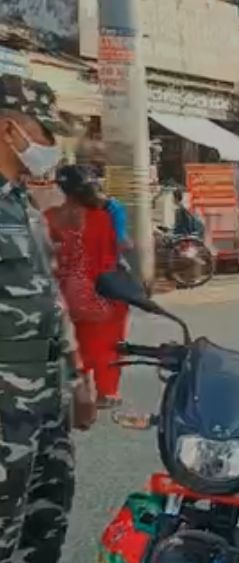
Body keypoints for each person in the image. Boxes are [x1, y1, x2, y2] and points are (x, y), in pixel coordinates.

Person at [0, 74, 107, 563]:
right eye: (42, 132)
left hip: (40, 400)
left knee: (42, 523)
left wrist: (77, 375)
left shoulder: (17, 201)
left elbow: (46, 299)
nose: (48, 147)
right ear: (8, 126)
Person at [45, 166, 127, 408]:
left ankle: (68, 388)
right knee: (108, 342)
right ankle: (107, 391)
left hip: (61, 295)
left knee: (67, 343)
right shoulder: (103, 218)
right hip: (98, 295)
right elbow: (115, 251)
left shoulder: (48, 217)